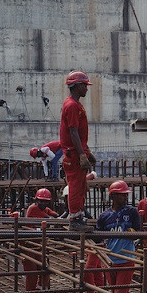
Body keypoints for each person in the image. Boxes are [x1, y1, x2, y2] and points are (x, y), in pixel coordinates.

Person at [94, 181, 142, 293]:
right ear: (113, 196)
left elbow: (139, 230)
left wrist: (134, 233)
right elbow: (98, 237)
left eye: (125, 194)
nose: (125, 197)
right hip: (110, 260)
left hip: (126, 261)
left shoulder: (132, 212)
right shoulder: (104, 216)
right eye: (121, 194)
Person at [60, 71, 96, 231]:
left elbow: (79, 134)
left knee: (81, 186)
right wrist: (82, 155)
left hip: (77, 152)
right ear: (77, 86)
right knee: (75, 186)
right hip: (73, 154)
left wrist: (87, 151)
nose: (87, 89)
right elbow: (73, 131)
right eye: (84, 86)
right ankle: (74, 220)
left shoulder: (75, 104)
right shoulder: (72, 106)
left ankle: (78, 217)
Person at [20, 188, 58, 293]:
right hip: (28, 246)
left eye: (45, 202)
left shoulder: (44, 208)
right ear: (36, 200)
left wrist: (56, 214)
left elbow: (51, 213)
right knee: (32, 275)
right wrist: (55, 217)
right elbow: (48, 217)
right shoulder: (33, 209)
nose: (43, 204)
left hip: (39, 245)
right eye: (41, 201)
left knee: (45, 271)